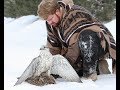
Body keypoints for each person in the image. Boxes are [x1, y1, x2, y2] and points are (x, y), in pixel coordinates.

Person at [37, 0, 116, 81]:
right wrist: (51, 66)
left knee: (87, 37)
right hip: (75, 51)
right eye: (47, 20)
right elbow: (53, 47)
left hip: (96, 43)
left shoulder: (75, 13)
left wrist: (64, 65)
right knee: (65, 72)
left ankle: (90, 73)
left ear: (57, 11)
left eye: (50, 19)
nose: (49, 22)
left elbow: (74, 46)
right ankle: (99, 67)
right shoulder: (51, 25)